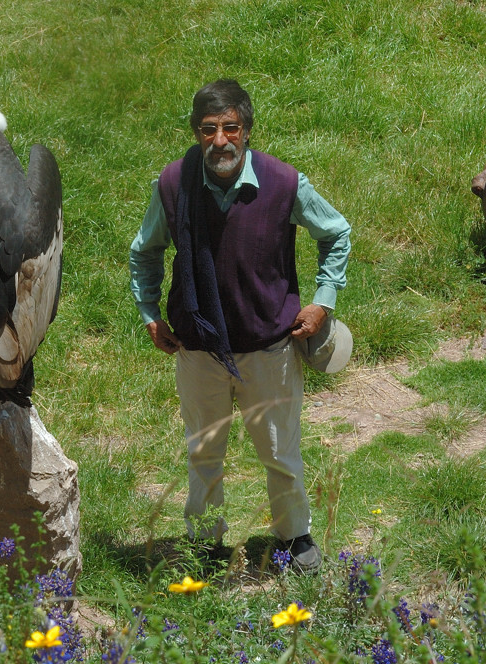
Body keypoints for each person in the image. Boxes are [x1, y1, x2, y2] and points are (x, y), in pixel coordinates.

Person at [129, 80, 351, 573]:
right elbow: (144, 250)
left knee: (279, 452)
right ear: (197, 134)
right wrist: (150, 313)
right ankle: (205, 546)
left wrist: (322, 302)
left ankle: (295, 539)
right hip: (198, 349)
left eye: (231, 128)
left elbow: (336, 233)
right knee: (204, 452)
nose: (220, 141)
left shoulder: (285, 182)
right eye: (209, 130)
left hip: (267, 348)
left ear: (247, 131)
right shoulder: (171, 184)